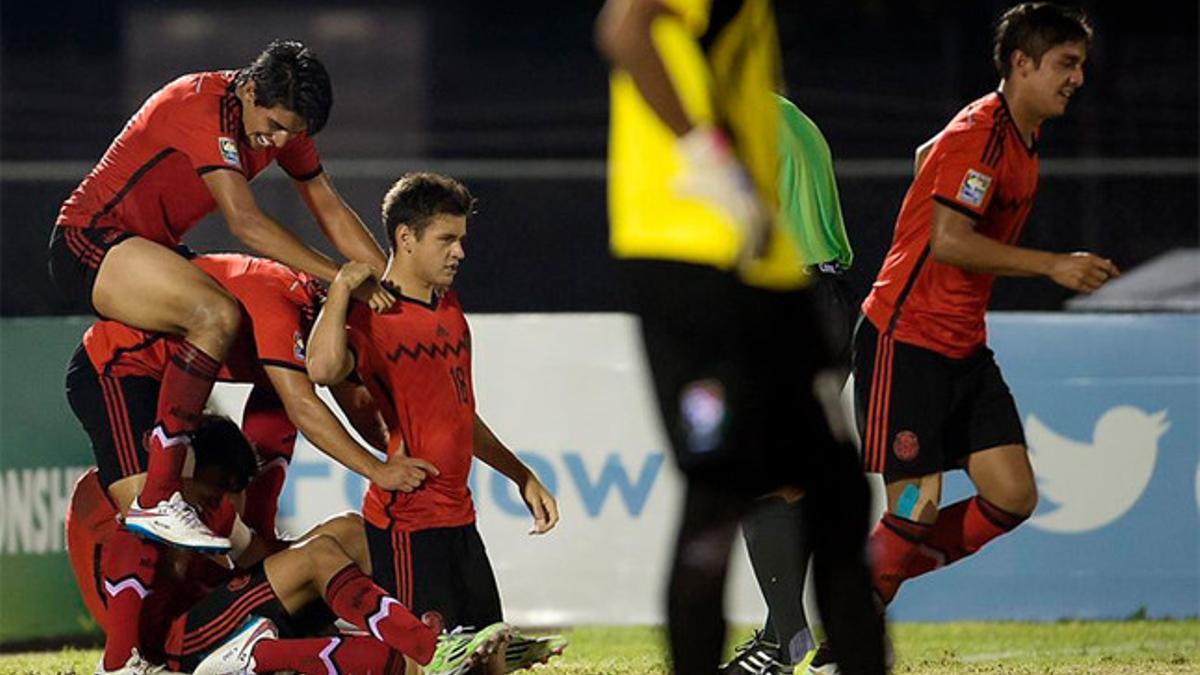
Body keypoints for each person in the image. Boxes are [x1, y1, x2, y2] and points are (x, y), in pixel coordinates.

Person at [818, 3, 1117, 672]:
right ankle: (850, 629)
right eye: (1066, 64)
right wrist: (1054, 264)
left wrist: (930, 188)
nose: (1077, 78)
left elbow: (930, 155)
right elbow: (951, 241)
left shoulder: (1013, 133)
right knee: (916, 505)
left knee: (1012, 495)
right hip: (907, 335)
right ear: (1022, 62)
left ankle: (857, 584)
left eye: (1080, 65)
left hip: (961, 342)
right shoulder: (983, 134)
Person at [595, 2, 886, 674]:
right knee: (724, 490)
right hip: (694, 259)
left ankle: (805, 643)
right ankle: (780, 639)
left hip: (770, 273)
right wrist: (710, 160)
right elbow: (626, 28)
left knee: (835, 488)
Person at [48, 39, 394, 552]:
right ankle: (158, 496)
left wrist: (391, 285)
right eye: (273, 126)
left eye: (289, 135)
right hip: (90, 239)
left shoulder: (278, 121)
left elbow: (330, 208)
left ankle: (252, 530)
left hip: (153, 251)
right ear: (250, 88)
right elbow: (246, 223)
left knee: (277, 366)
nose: (276, 142)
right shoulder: (201, 104)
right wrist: (340, 278)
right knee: (216, 314)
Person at [306, 172, 563, 674]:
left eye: (461, 239)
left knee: (489, 661)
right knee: (424, 662)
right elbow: (321, 369)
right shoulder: (371, 316)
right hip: (408, 521)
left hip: (459, 517)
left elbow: (460, 414)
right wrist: (340, 291)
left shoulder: (449, 306)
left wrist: (521, 474)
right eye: (446, 239)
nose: (459, 252)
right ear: (406, 238)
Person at [66, 416, 507, 675]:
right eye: (216, 487)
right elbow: (124, 567)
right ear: (186, 463)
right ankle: (428, 650)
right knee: (317, 559)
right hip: (168, 647)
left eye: (229, 492)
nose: (219, 502)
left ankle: (439, 634)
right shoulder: (112, 502)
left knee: (348, 532)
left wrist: (322, 566)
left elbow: (261, 558)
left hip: (215, 623)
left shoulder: (210, 504)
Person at [65, 252, 429, 542]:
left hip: (171, 383)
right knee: (151, 522)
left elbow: (357, 408)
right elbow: (304, 407)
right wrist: (379, 471)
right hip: (115, 367)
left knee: (245, 525)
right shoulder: (281, 304)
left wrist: (410, 454)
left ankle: (248, 591)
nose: (343, 380)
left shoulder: (320, 328)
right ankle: (134, 635)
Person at [720, 94, 857, 675]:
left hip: (784, 297)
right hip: (826, 299)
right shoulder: (792, 115)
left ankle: (788, 640)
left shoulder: (741, 117)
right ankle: (784, 636)